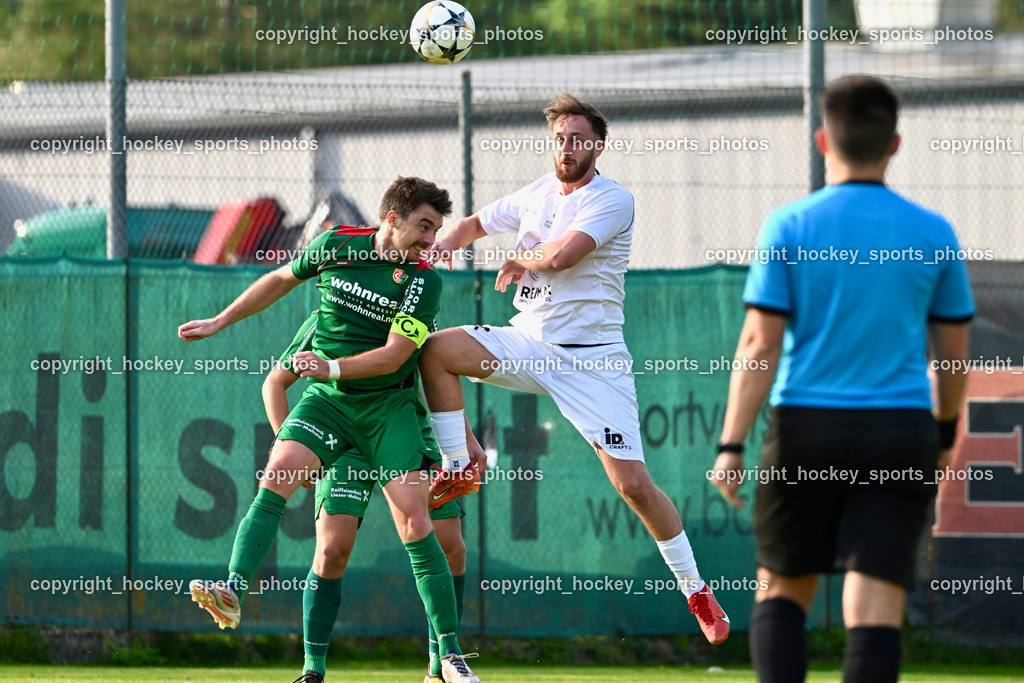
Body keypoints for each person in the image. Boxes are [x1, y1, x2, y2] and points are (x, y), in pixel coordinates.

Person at [419, 92, 730, 645]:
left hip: (594, 364)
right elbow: (471, 224)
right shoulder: (536, 193)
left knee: (633, 484)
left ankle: (696, 589)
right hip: (529, 344)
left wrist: (523, 257)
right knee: (436, 350)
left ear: (598, 146)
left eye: (578, 139)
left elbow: (563, 256)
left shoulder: (613, 199)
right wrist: (435, 247)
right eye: (559, 139)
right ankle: (460, 461)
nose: (566, 148)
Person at [710, 75, 974, 683]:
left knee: (782, 588)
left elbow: (758, 345)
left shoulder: (789, 225)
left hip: (808, 427)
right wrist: (943, 437)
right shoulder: (933, 232)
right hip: (900, 431)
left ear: (823, 139)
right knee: (876, 599)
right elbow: (954, 357)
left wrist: (730, 446)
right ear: (896, 144)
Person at [178, 176, 481, 683]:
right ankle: (234, 592)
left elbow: (394, 358)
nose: (431, 241)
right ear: (392, 218)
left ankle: (447, 657)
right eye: (424, 227)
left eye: (437, 230)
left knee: (419, 523)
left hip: (388, 411)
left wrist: (333, 369)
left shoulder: (425, 281)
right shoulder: (337, 246)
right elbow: (278, 284)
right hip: (330, 407)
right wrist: (221, 320)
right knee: (282, 480)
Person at [263, 311, 475, 683]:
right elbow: (275, 383)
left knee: (450, 545)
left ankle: (440, 662)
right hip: (345, 437)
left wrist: (463, 441)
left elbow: (440, 382)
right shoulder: (331, 312)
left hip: (404, 430)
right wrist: (296, 445)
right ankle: (313, 672)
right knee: (332, 551)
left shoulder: (417, 310)